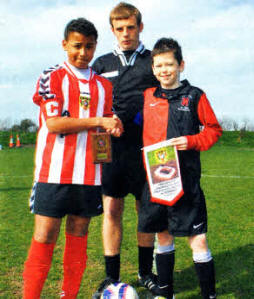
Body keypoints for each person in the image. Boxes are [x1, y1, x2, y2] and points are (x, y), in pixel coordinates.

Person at [22, 17, 123, 299]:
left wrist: (112, 127)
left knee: (78, 239)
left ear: (95, 47)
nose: (83, 53)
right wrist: (99, 120)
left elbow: (103, 129)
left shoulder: (104, 85)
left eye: (89, 47)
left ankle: (69, 295)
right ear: (65, 44)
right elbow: (53, 124)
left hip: (89, 177)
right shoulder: (52, 76)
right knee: (45, 238)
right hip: (53, 174)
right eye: (77, 46)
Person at [138, 37, 223, 299]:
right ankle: (166, 293)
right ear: (153, 69)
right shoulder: (147, 96)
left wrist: (191, 141)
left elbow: (214, 130)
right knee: (163, 238)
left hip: (186, 183)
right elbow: (134, 125)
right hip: (157, 182)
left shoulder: (194, 96)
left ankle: (208, 294)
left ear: (181, 65)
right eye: (159, 65)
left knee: (198, 240)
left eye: (170, 64)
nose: (165, 70)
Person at [92, 2, 159, 297]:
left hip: (146, 148)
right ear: (112, 31)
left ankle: (146, 273)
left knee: (146, 211)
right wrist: (104, 122)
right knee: (111, 209)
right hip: (110, 149)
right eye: (120, 29)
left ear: (140, 27)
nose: (126, 33)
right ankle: (111, 277)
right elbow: (91, 102)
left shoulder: (155, 61)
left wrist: (139, 117)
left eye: (131, 27)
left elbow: (164, 98)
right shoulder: (101, 64)